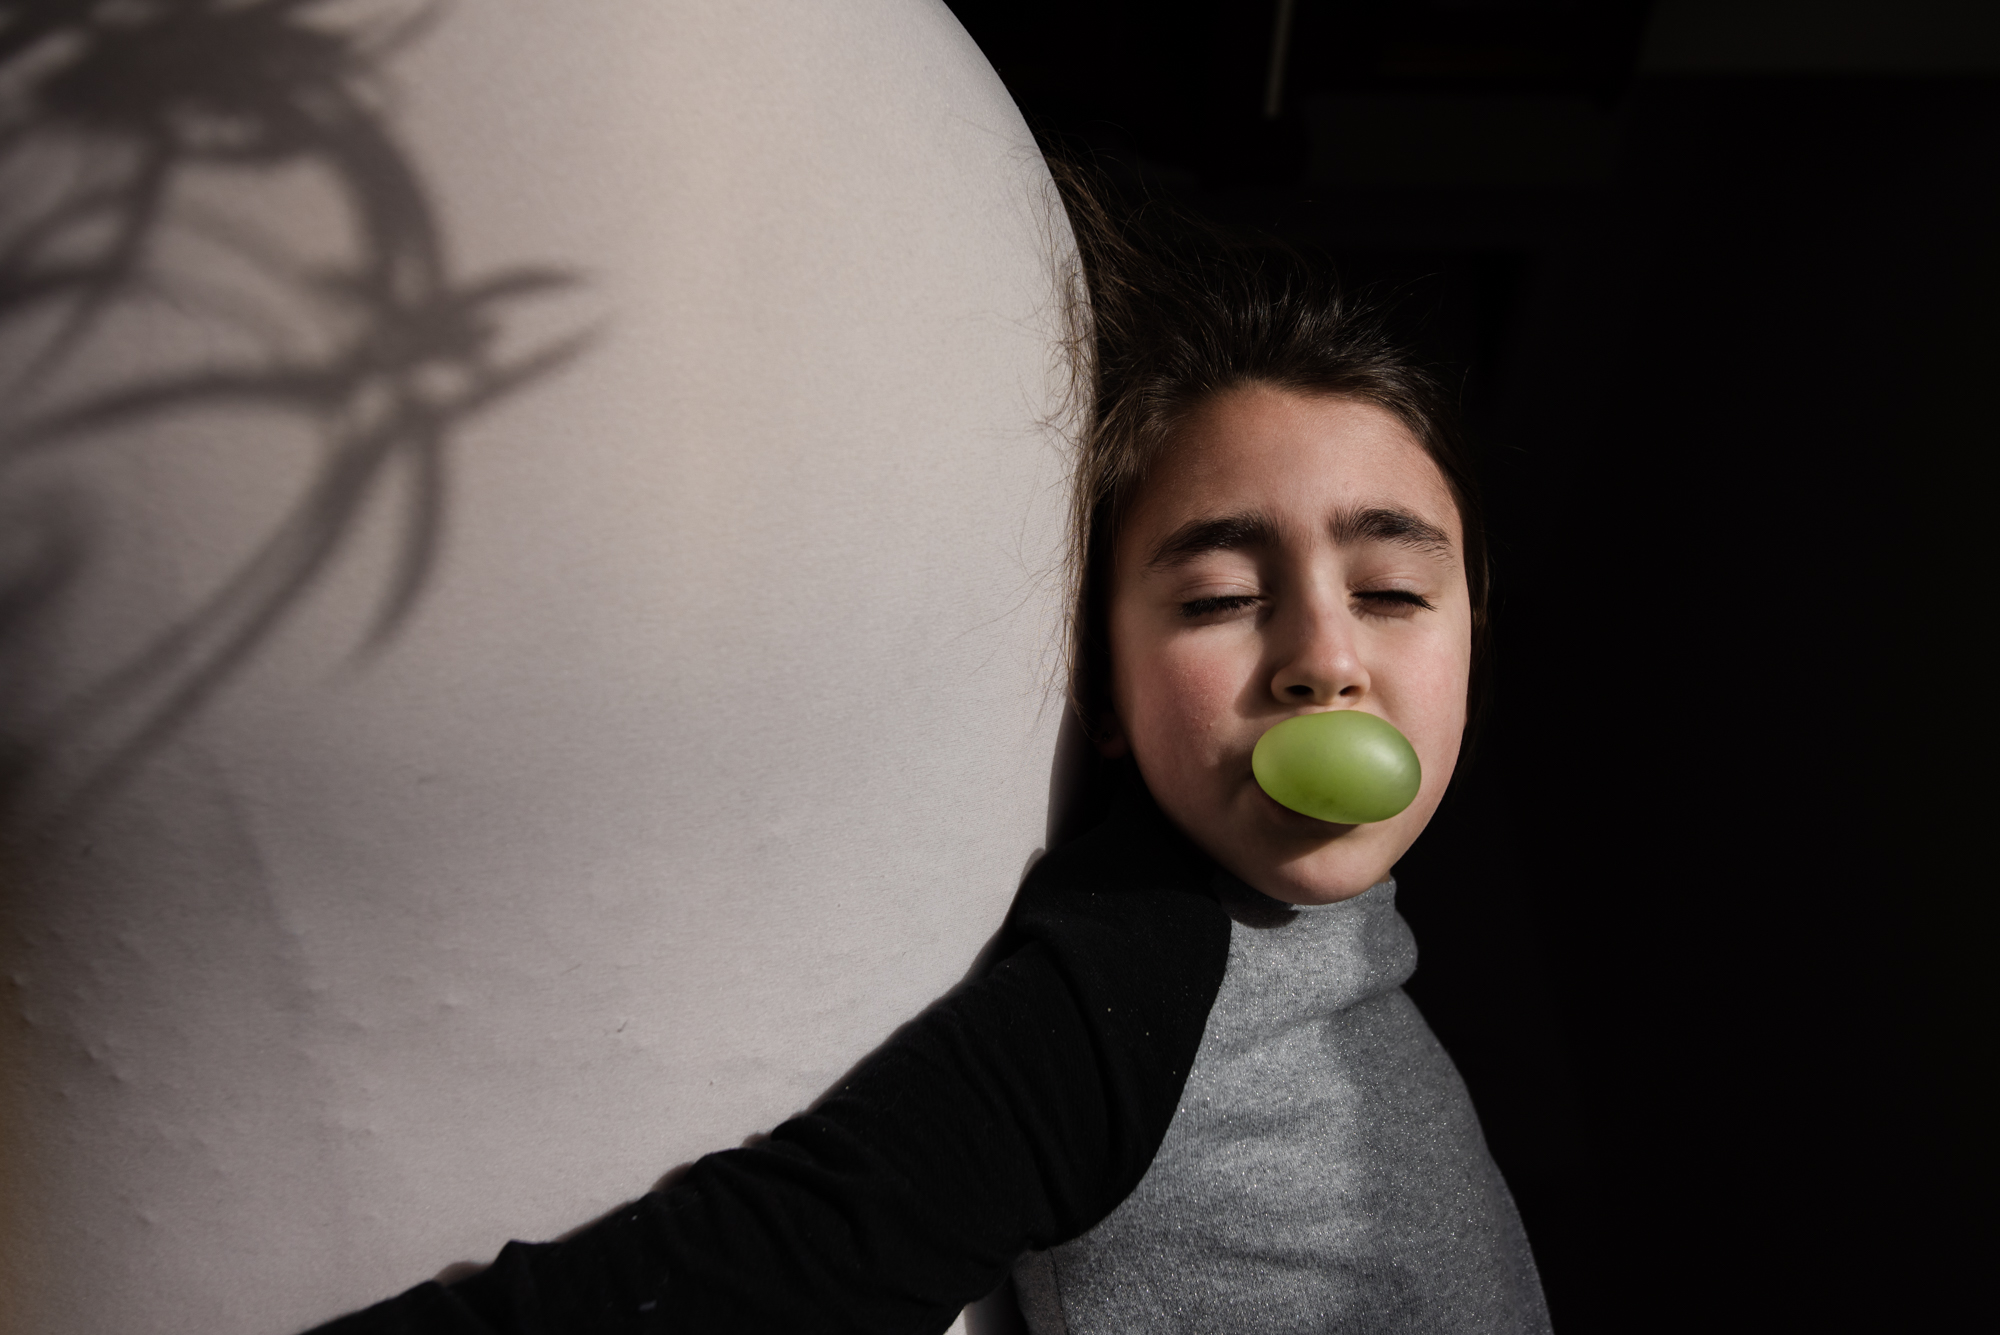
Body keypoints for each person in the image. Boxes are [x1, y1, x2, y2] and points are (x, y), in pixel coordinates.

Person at [309, 168, 1550, 1335]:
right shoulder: (1145, 972)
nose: (1321, 658)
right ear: (1103, 686)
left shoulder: (1348, 940)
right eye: (1219, 597)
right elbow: (765, 1270)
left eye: (1390, 590)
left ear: (1470, 644)